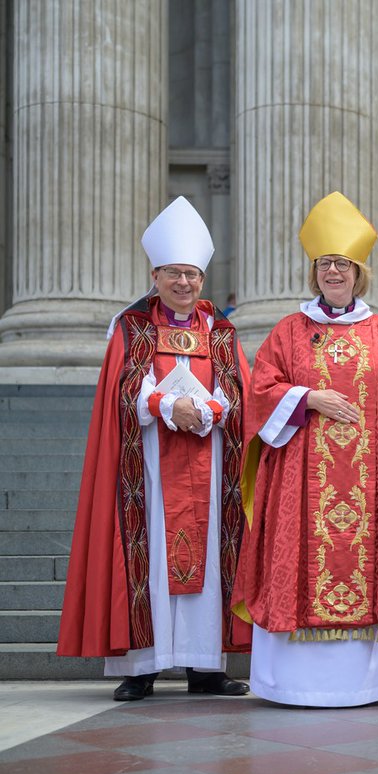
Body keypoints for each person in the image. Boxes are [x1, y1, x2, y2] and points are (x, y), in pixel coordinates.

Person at [232, 191, 378, 707]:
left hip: (367, 488)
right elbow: (259, 392)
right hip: (300, 482)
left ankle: (366, 683)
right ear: (314, 271)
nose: (334, 272)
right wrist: (308, 397)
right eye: (325, 264)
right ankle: (293, 683)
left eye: (343, 264)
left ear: (359, 272)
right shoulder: (289, 331)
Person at [57, 197, 251, 701]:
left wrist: (209, 409)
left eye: (192, 274)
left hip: (210, 469)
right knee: (149, 558)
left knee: (209, 561)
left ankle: (206, 667)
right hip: (145, 468)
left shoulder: (221, 332)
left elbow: (238, 390)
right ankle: (141, 667)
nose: (183, 283)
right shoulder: (132, 327)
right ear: (155, 274)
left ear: (202, 279)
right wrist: (167, 405)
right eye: (173, 274)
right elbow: (125, 389)